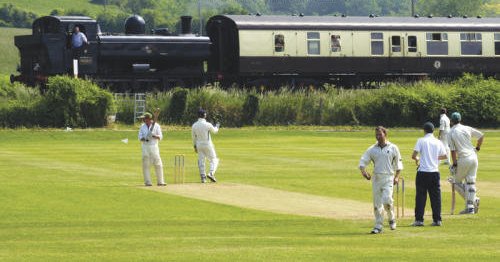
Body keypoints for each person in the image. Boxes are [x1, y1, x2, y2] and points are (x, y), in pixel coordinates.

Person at [359, 126, 403, 234]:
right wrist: (364, 172)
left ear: (385, 134)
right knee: (377, 204)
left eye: (380, 134)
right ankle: (378, 225)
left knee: (387, 200)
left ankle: (391, 218)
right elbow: (362, 162)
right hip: (376, 178)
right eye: (376, 135)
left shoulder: (393, 148)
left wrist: (397, 177)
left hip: (389, 177)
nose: (378, 137)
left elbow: (399, 165)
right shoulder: (372, 149)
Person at [411, 122, 448, 227]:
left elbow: (414, 156)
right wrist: (434, 158)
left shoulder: (421, 140)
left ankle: (419, 220)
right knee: (436, 197)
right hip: (434, 172)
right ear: (433, 130)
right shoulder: (438, 142)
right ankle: (437, 220)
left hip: (422, 172)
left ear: (424, 130)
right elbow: (445, 156)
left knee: (420, 197)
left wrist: (418, 159)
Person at [448, 112, 484, 214]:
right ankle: (470, 208)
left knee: (454, 181)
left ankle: (473, 201)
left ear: (451, 121)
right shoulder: (466, 128)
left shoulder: (451, 132)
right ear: (460, 119)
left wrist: (454, 164)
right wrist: (477, 148)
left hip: (463, 159)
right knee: (470, 182)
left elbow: (453, 150)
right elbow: (481, 136)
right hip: (473, 157)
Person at [192, 108, 220, 183]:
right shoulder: (207, 124)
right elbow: (215, 131)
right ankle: (211, 173)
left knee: (201, 161)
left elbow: (193, 137)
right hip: (207, 144)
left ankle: (203, 177)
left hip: (199, 145)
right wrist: (217, 126)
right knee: (214, 159)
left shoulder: (194, 125)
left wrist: (194, 146)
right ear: (204, 115)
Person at [138, 112, 165, 186]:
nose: (143, 120)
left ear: (149, 119)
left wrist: (153, 136)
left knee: (158, 164)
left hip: (154, 146)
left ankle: (160, 181)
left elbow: (160, 137)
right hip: (145, 147)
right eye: (143, 119)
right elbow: (140, 137)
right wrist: (145, 138)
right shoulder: (142, 126)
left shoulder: (156, 126)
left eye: (145, 119)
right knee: (146, 164)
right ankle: (148, 182)